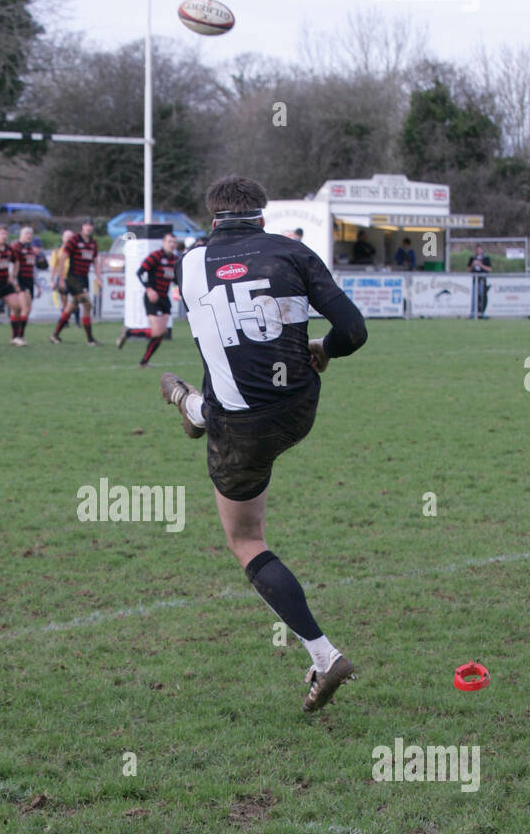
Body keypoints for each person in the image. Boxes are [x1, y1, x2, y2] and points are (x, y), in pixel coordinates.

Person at [161, 174, 367, 713]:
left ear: (212, 217)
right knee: (228, 381)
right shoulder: (294, 251)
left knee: (246, 539)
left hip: (241, 427)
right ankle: (196, 409)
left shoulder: (189, 262)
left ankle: (324, 655)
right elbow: (354, 331)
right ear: (263, 214)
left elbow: (218, 332)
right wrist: (324, 347)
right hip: (298, 409)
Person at [117, 230, 179, 366]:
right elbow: (140, 272)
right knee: (157, 332)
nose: (172, 244)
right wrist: (149, 289)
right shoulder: (156, 256)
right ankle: (129, 332)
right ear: (163, 242)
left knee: (162, 333)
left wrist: (179, 288)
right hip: (153, 298)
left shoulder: (175, 260)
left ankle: (144, 362)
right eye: (169, 241)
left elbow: (174, 279)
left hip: (165, 298)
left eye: (174, 242)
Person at [51, 217, 101, 345]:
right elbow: (63, 258)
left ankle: (55, 335)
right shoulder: (74, 240)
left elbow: (95, 262)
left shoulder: (93, 243)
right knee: (87, 304)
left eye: (90, 225)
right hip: (73, 277)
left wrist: (99, 278)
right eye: (86, 225)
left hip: (84, 278)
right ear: (82, 227)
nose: (88, 227)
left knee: (71, 307)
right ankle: (90, 339)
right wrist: (61, 279)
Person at [9, 225, 43, 345]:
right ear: (21, 234)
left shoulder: (30, 249)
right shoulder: (16, 247)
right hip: (20, 280)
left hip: (29, 281)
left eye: (30, 234)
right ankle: (19, 336)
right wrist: (14, 282)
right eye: (26, 233)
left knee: (24, 310)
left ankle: (15, 336)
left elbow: (33, 268)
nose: (29, 236)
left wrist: (37, 284)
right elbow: (12, 265)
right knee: (24, 309)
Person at [467, 243, 492, 316]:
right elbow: (468, 269)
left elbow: (489, 269)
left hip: (482, 280)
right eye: (477, 249)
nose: (478, 251)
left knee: (482, 297)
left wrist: (481, 265)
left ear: (482, 250)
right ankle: (473, 313)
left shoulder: (486, 258)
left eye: (479, 249)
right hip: (475, 280)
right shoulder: (472, 258)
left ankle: (482, 313)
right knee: (474, 297)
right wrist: (473, 265)